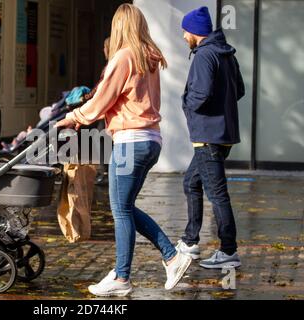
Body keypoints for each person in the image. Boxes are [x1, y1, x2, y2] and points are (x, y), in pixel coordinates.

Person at [55, 3, 192, 296]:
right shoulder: (148, 56)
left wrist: (73, 117)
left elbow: (102, 98)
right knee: (124, 208)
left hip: (130, 142)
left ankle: (138, 270)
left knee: (120, 209)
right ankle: (137, 269)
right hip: (150, 140)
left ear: (118, 26)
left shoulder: (125, 57)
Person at [176, 7, 245, 269]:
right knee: (191, 182)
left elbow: (201, 93)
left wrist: (188, 107)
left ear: (195, 32)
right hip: (221, 134)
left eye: (185, 30)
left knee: (217, 195)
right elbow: (239, 89)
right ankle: (191, 240)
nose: (183, 36)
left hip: (208, 136)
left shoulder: (205, 55)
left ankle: (228, 251)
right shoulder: (226, 53)